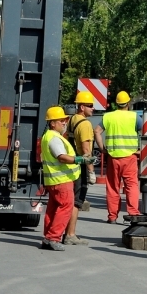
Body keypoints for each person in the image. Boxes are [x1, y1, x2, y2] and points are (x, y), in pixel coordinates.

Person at [40, 106, 91, 251]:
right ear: (52, 123)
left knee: (53, 209)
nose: (64, 123)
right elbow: (61, 157)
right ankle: (54, 238)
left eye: (65, 120)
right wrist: (80, 159)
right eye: (61, 120)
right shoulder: (54, 138)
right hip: (62, 181)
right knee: (65, 208)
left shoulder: (48, 136)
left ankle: (47, 238)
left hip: (53, 181)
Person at [94, 90, 141, 223]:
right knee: (131, 186)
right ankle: (133, 214)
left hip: (113, 157)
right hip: (130, 157)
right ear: (128, 103)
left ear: (116, 103)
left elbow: (96, 131)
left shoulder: (108, 117)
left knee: (113, 187)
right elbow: (145, 134)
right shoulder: (134, 117)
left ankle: (112, 216)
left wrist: (102, 149)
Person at [64, 90, 95, 244]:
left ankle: (66, 232)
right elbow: (86, 149)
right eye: (90, 105)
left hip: (71, 164)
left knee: (69, 200)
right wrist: (91, 171)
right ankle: (70, 234)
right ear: (82, 107)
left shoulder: (72, 120)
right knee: (77, 201)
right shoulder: (85, 124)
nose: (93, 108)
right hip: (80, 166)